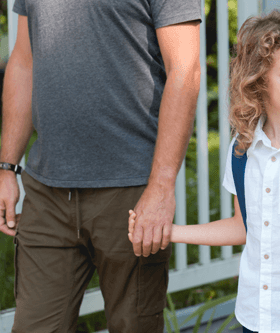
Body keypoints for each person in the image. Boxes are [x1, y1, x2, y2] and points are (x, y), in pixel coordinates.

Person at [129, 10, 280, 333]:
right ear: (259, 81)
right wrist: (172, 232)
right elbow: (243, 227)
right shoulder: (243, 149)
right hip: (256, 319)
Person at [0, 0, 201, 332]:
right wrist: (7, 167)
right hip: (47, 192)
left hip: (131, 192)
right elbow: (24, 62)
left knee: (134, 325)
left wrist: (162, 187)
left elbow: (186, 69)